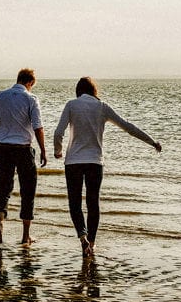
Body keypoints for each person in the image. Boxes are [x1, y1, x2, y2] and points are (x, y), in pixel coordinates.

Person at [54, 77, 161, 258]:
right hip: (95, 162)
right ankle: (92, 243)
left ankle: (82, 238)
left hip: (73, 162)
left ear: (78, 91)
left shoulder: (71, 105)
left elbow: (58, 132)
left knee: (75, 203)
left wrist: (57, 151)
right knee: (93, 203)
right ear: (94, 90)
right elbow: (128, 127)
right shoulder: (102, 106)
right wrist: (152, 142)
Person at [0, 68, 47, 245]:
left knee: (4, 188)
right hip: (23, 149)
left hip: (4, 148)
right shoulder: (31, 99)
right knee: (28, 191)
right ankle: (25, 235)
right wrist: (43, 150)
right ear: (30, 83)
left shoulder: (1, 96)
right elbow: (38, 126)